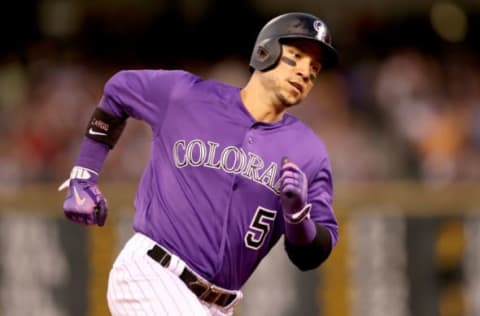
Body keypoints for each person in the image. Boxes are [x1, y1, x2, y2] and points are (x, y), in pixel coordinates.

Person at [59, 12, 340, 316]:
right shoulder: (187, 96)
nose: (304, 72)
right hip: (152, 273)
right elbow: (118, 90)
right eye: (295, 57)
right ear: (264, 52)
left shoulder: (308, 151)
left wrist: (298, 217)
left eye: (314, 68)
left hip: (219, 306)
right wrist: (83, 176)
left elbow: (312, 253)